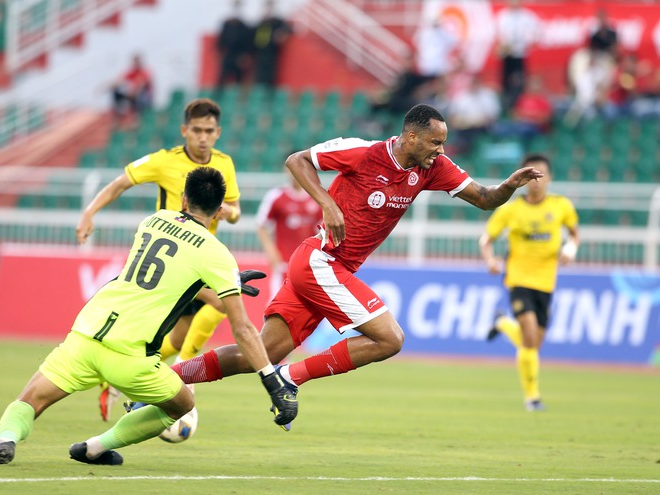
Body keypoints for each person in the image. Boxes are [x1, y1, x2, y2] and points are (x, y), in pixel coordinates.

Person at [161, 104, 543, 425]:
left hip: (327, 269)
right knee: (390, 338)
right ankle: (291, 378)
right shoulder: (362, 152)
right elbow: (298, 161)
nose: (440, 151)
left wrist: (510, 185)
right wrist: (326, 203)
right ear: (411, 136)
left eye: (442, 144)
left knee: (257, 355)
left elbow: (486, 198)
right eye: (435, 142)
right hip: (320, 261)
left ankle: (161, 379)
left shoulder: (432, 167)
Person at [0, 168, 297, 466]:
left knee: (30, 399)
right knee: (180, 404)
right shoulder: (217, 255)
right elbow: (241, 326)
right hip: (131, 356)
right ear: (219, 210)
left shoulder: (154, 221)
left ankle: (7, 439)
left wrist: (219, 282)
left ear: (182, 200)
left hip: (86, 334)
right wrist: (270, 379)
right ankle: (95, 448)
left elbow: (169, 276)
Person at [75, 98, 243, 421]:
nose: (203, 137)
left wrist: (231, 213)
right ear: (185, 130)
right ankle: (185, 378)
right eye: (196, 130)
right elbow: (120, 183)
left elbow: (235, 209)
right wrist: (89, 212)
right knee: (222, 302)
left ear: (218, 133)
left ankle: (114, 381)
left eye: (209, 131)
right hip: (173, 260)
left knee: (179, 337)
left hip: (202, 258)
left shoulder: (225, 164)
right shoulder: (164, 162)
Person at [479, 154, 579, 412]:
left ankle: (501, 323)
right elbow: (486, 240)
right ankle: (532, 398)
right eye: (532, 175)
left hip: (546, 282)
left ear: (550, 178)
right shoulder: (511, 209)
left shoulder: (561, 206)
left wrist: (570, 249)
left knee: (532, 344)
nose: (536, 181)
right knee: (531, 338)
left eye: (542, 175)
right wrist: (490, 260)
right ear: (524, 178)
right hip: (518, 278)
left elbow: (575, 235)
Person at [256, 163, 322, 299]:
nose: (294, 173)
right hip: (284, 264)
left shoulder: (317, 196)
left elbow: (323, 228)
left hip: (309, 265)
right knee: (276, 307)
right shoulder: (276, 196)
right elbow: (261, 225)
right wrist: (271, 252)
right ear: (285, 170)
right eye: (291, 169)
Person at [495, 0, 540, 110]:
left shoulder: (527, 16)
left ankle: (519, 103)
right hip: (507, 53)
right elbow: (499, 34)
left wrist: (527, 42)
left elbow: (536, 32)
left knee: (520, 80)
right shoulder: (503, 16)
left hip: (520, 53)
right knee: (505, 80)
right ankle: (507, 104)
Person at [252, 0, 292, 87]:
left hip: (271, 51)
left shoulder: (277, 22)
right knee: (259, 73)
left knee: (270, 73)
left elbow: (288, 29)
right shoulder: (261, 23)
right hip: (260, 52)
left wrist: (282, 34)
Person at [216, 0, 254, 88]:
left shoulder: (244, 26)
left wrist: (245, 55)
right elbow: (221, 41)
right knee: (222, 76)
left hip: (239, 56)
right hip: (228, 54)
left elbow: (248, 43)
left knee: (238, 78)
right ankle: (218, 95)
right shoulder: (227, 24)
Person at [111, 54, 153, 124]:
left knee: (140, 94)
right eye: (134, 62)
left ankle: (138, 118)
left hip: (144, 99)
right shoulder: (131, 72)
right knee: (116, 91)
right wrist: (109, 86)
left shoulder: (145, 72)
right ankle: (119, 113)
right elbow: (119, 80)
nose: (136, 63)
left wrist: (134, 92)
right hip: (132, 95)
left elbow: (141, 84)